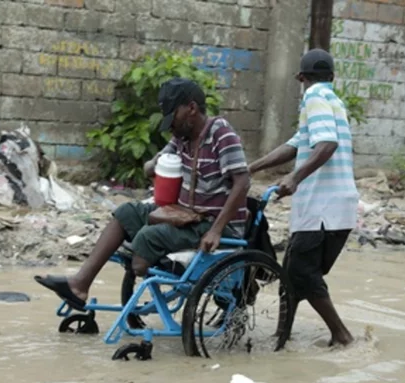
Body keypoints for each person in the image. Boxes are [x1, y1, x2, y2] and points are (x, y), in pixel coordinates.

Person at [35, 77, 250, 310]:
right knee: (126, 212)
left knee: (147, 239)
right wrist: (155, 164)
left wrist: (217, 230)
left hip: (213, 223)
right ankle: (80, 284)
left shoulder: (221, 133)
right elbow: (151, 166)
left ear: (191, 108)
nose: (170, 126)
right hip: (186, 215)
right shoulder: (182, 138)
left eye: (173, 117)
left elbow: (243, 182)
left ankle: (148, 267)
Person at [249, 48, 358, 347]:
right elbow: (296, 145)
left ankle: (341, 335)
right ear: (332, 77)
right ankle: (282, 336)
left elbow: (327, 144)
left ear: (301, 78)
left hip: (321, 209)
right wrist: (252, 168)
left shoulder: (313, 98)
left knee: (301, 273)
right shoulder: (334, 102)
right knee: (293, 276)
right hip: (340, 209)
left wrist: (295, 178)